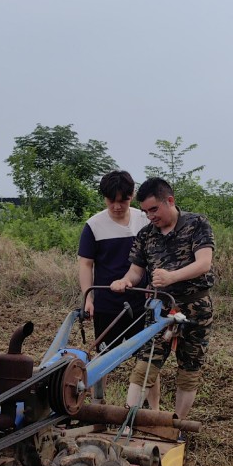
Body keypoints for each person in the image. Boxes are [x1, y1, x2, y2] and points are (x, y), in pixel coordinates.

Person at [110, 177, 214, 422]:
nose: (150, 216)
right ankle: (128, 423)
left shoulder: (197, 224)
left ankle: (176, 425)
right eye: (145, 212)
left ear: (170, 201)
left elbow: (203, 263)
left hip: (194, 308)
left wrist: (171, 277)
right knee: (145, 364)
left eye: (154, 209)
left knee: (189, 369)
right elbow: (136, 271)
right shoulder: (146, 235)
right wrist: (126, 281)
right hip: (159, 310)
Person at [78, 170, 159, 407]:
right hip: (106, 302)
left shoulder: (144, 220)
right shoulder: (94, 225)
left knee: (148, 361)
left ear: (132, 196)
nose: (116, 206)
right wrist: (88, 297)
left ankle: (152, 413)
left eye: (122, 200)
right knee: (102, 359)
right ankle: (98, 408)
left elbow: (155, 257)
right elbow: (85, 263)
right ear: (104, 198)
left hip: (141, 303)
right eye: (111, 200)